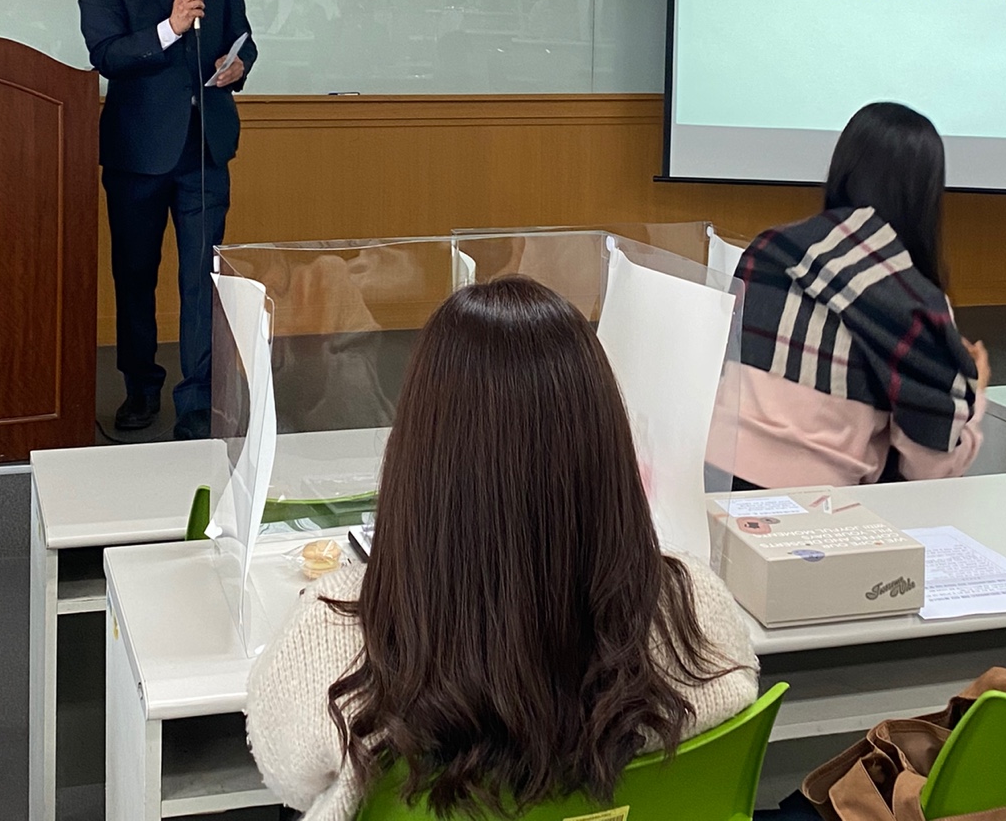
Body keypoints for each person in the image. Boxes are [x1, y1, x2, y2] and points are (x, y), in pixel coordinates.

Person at [247, 275, 757, 819]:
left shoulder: (328, 638)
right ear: (608, 451)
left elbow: (288, 779)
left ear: (417, 458)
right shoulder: (695, 612)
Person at [79, 0, 257, 440]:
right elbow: (106, 53)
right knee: (136, 275)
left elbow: (242, 34)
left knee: (202, 278)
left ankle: (197, 399)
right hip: (138, 151)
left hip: (205, 146)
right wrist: (169, 28)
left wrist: (240, 64)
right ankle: (140, 388)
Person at [730, 101, 988, 489]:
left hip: (711, 483)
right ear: (925, 193)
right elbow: (931, 470)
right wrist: (975, 392)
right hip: (822, 507)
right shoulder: (915, 300)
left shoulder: (767, 248)